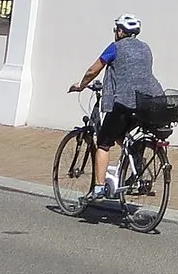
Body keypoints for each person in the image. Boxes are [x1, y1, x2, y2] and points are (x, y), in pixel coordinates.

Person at [69, 13, 163, 197]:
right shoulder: (146, 48)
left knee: (104, 142)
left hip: (124, 103)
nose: (115, 32)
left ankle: (98, 187)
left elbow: (92, 70)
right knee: (121, 133)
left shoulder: (115, 47)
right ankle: (135, 158)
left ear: (120, 31)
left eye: (116, 29)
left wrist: (81, 86)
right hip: (147, 104)